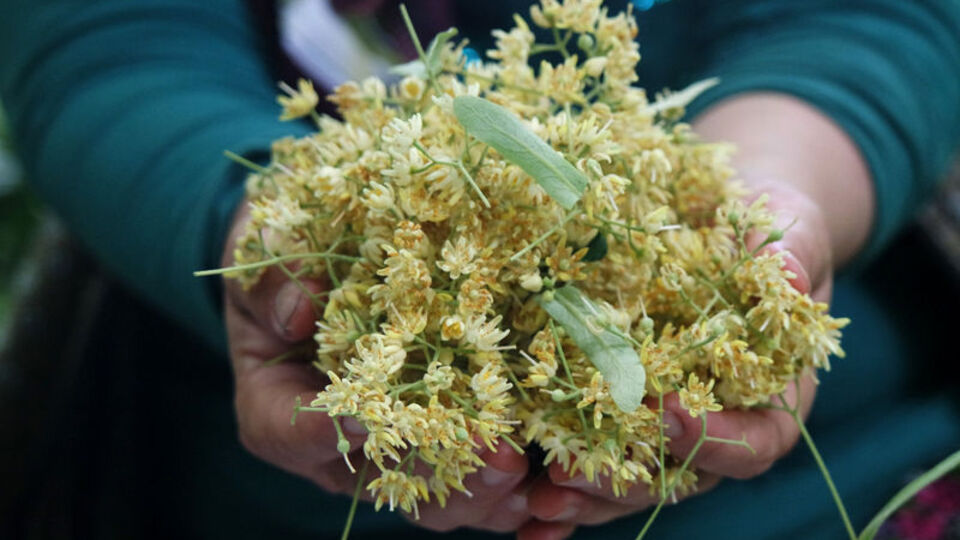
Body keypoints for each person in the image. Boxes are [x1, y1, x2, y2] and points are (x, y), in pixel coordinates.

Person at [1, 1, 959, 539]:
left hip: (846, 474)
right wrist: (264, 230)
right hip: (262, 488)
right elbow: (109, 50)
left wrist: (774, 200)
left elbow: (869, 23)